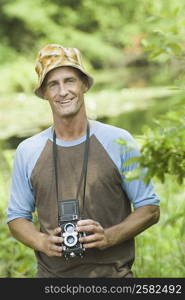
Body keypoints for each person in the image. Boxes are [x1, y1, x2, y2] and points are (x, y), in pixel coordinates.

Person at [7, 44, 160, 278]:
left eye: (70, 80)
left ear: (84, 85)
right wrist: (42, 241)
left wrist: (109, 237)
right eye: (53, 84)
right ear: (44, 94)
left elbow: (149, 209)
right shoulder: (28, 150)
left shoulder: (120, 141)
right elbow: (17, 218)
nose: (62, 91)